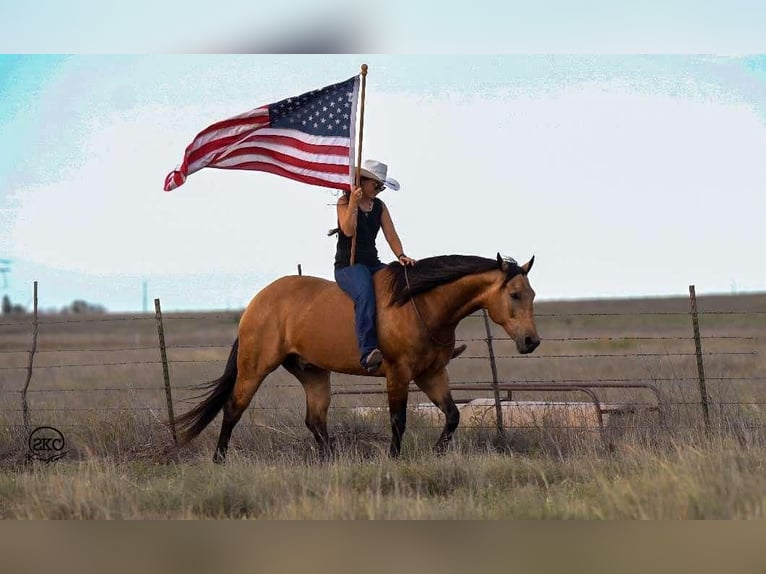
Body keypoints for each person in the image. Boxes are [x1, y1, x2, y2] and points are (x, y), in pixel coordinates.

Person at [334, 159, 416, 372]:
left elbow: (391, 234)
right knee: (365, 294)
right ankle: (367, 351)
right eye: (376, 185)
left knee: (403, 284)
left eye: (382, 187)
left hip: (373, 263)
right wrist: (353, 203)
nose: (379, 190)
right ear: (362, 181)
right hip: (349, 266)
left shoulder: (379, 206)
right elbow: (348, 231)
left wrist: (401, 255)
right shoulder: (344, 202)